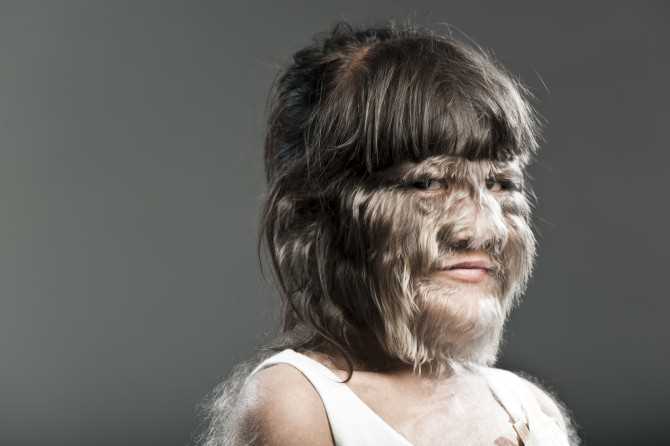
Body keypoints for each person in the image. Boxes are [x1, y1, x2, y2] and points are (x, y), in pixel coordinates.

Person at [198, 19, 579, 446]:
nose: (485, 229)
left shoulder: (530, 407)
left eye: (501, 183)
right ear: (324, 210)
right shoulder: (297, 402)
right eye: (429, 183)